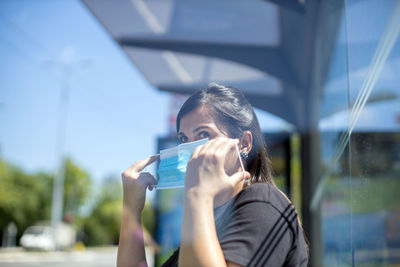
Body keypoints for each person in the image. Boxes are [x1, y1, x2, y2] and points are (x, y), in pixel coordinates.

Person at [117, 83, 309, 267]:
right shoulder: (209, 218)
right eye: (183, 139)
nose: (190, 151)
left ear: (243, 143)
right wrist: (131, 211)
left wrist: (198, 193)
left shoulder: (262, 203)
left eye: (203, 135)